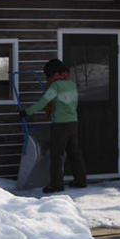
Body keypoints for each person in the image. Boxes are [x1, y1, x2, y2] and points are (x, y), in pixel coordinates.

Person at [19, 58, 87, 193]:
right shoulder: (72, 84)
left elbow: (42, 102)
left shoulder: (56, 86)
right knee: (74, 153)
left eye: (48, 75)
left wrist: (26, 112)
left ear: (52, 73)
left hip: (60, 125)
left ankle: (56, 185)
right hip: (73, 123)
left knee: (56, 155)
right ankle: (80, 180)